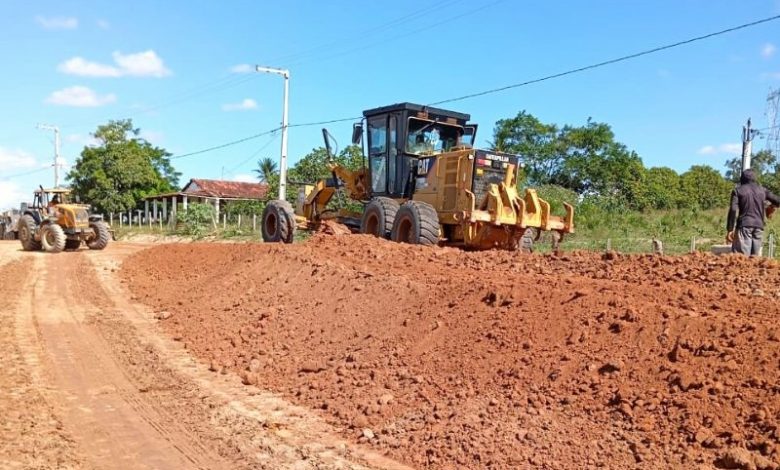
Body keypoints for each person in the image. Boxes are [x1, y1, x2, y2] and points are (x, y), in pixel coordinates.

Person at [726, 169, 780, 256]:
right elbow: (778, 201)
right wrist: (771, 207)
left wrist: (730, 229)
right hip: (759, 227)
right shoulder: (763, 190)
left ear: (742, 179)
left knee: (741, 259)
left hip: (744, 227)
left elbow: (733, 209)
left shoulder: (737, 191)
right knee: (754, 260)